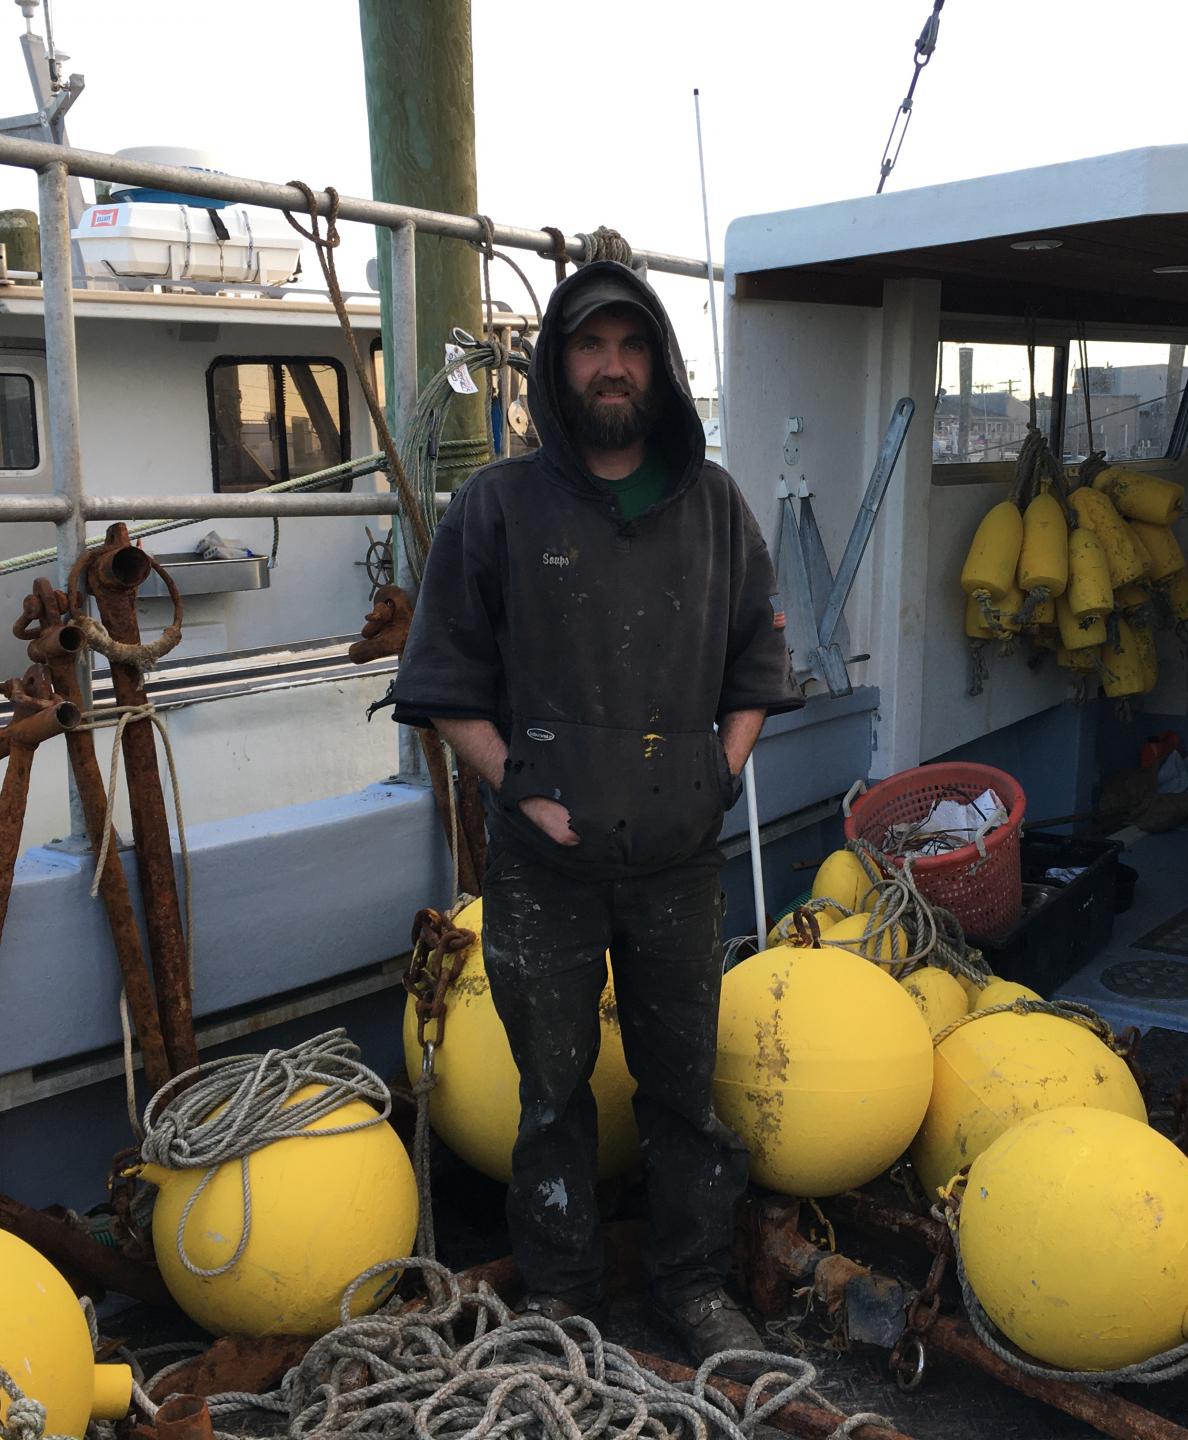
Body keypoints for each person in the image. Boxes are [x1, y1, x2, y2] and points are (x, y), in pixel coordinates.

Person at [391, 260, 800, 1362]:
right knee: (551, 1099)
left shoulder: (713, 505)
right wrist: (518, 786)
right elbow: (440, 681)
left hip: (679, 861)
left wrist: (717, 773)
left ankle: (691, 1285)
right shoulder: (498, 506)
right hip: (543, 866)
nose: (611, 366)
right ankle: (563, 1298)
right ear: (554, 365)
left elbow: (759, 664)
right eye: (589, 345)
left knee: (686, 1093)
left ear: (658, 364)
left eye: (630, 345)